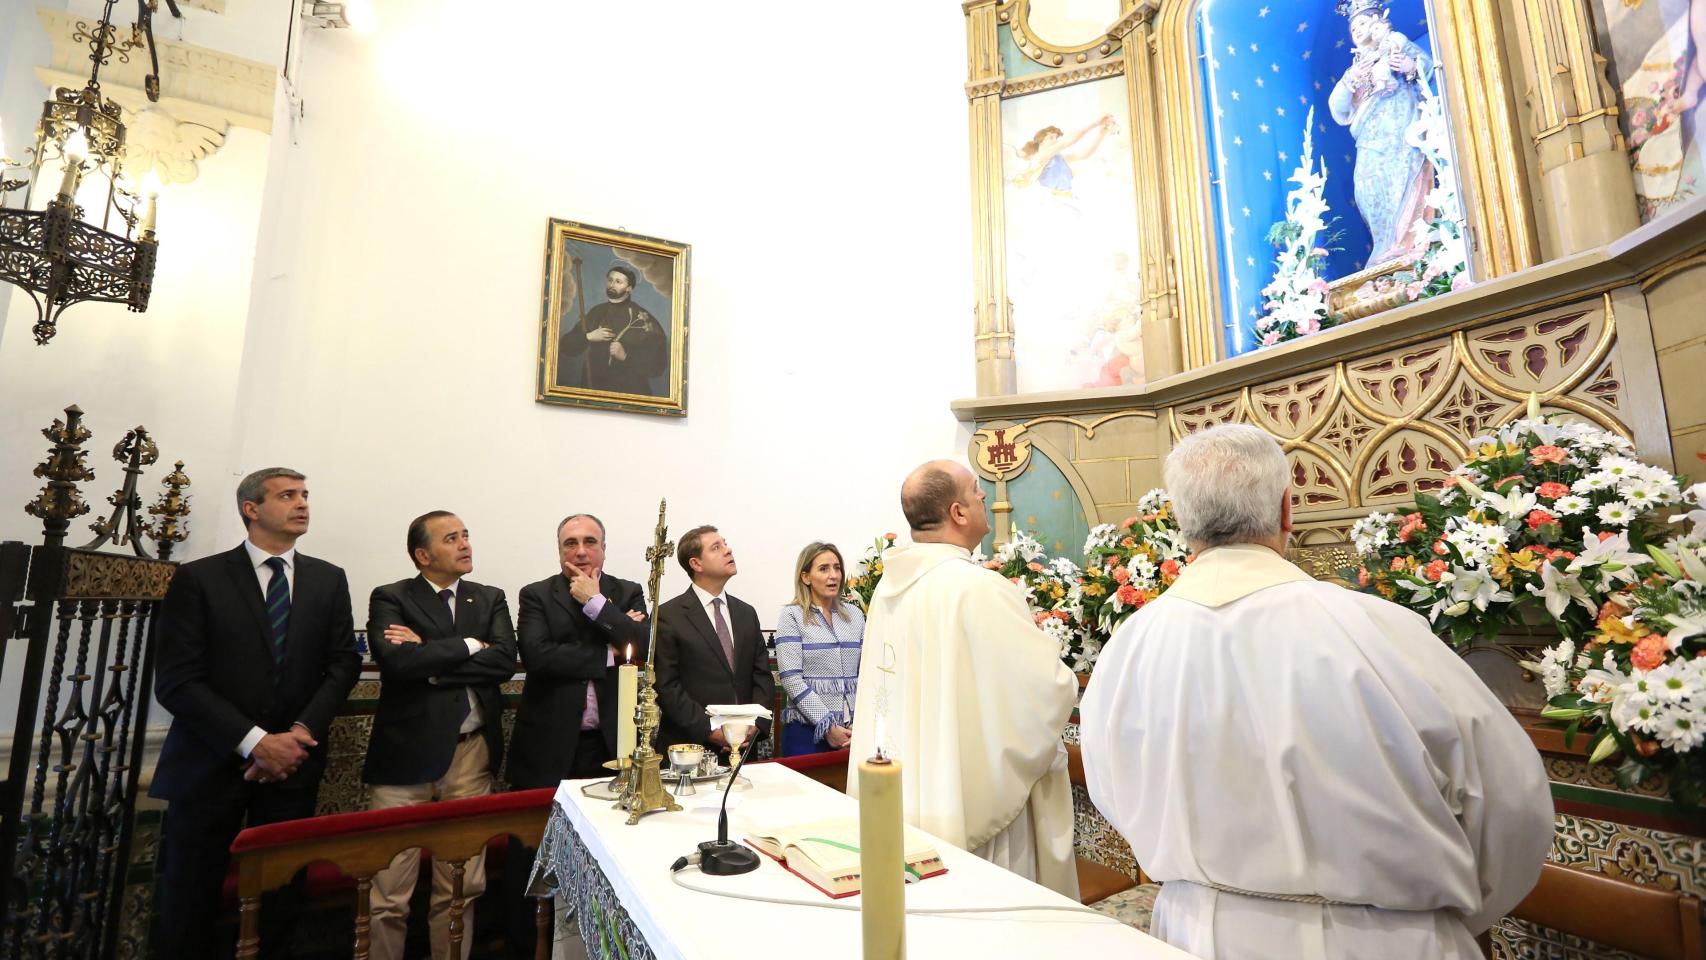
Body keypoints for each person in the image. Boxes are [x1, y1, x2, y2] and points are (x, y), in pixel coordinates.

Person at [1078, 424, 1553, 959]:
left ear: (1182, 521)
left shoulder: (1129, 646)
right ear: (1286, 509)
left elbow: (1111, 791)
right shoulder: (1377, 631)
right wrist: (1454, 913)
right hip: (1380, 941)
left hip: (1197, 932)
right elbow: (1513, 806)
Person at [149, 468, 361, 960]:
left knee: (282, 897)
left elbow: (343, 662)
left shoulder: (328, 579)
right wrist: (255, 741)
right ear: (251, 508)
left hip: (293, 766)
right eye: (287, 495)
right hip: (209, 763)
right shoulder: (200, 578)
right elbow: (178, 681)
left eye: (305, 495)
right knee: (189, 898)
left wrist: (300, 733)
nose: (302, 503)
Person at [845, 461, 1079, 898]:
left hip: (905, 798)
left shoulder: (887, 588)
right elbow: (1047, 688)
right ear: (958, 512)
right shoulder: (977, 588)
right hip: (968, 803)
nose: (984, 497)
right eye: (977, 491)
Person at [364, 511, 517, 960]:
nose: (465, 544)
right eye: (452, 538)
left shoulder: (489, 598)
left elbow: (505, 662)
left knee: (462, 888)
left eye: (466, 535)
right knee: (389, 893)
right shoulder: (391, 596)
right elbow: (397, 663)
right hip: (404, 760)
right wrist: (471, 646)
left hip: (470, 757)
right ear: (423, 554)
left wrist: (430, 660)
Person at [509, 513, 651, 787]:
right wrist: (611, 653)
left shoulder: (627, 591)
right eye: (571, 544)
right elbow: (537, 657)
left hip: (613, 740)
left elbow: (642, 645)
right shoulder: (536, 594)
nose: (581, 551)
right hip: (550, 743)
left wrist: (596, 602)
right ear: (560, 551)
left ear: (604, 549)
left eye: (590, 542)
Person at [1327, 0, 1435, 268]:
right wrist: (1348, 81)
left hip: (1400, 132)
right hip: (1369, 140)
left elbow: (1428, 67)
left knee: (1403, 181)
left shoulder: (1395, 41)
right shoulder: (1355, 68)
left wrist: (1410, 65)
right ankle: (1384, 245)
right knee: (1367, 187)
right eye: (1353, 26)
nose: (1357, 29)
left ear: (1377, 21)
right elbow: (1338, 111)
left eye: (1362, 22)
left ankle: (1406, 246)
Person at [654, 525, 775, 755]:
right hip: (690, 749)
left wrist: (755, 725)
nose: (728, 550)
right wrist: (710, 730)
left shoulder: (746, 613)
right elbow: (667, 687)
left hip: (745, 747)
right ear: (696, 564)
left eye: (726, 544)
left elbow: (762, 676)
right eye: (716, 547)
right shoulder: (668, 616)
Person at [773, 541, 864, 756]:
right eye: (824, 569)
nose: (833, 575)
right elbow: (791, 680)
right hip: (806, 734)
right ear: (806, 577)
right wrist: (828, 726)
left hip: (852, 735)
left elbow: (866, 674)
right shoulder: (792, 616)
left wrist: (859, 722)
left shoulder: (856, 615)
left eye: (837, 568)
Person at [556, 262, 667, 396]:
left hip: (629, 394)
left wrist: (626, 356)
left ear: (629, 288)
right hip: (594, 390)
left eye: (618, 282)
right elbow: (566, 347)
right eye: (610, 280)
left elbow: (658, 366)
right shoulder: (596, 312)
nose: (612, 284)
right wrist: (588, 337)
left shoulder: (642, 318)